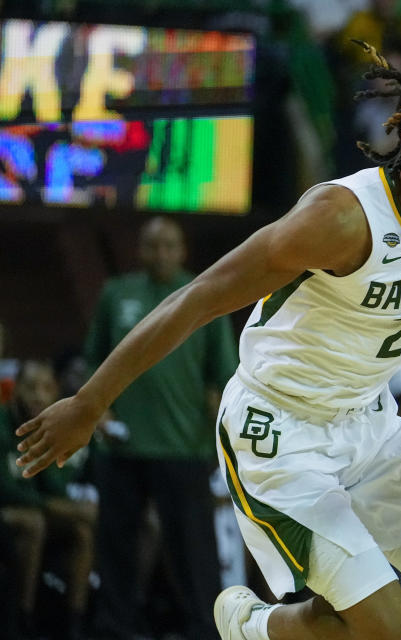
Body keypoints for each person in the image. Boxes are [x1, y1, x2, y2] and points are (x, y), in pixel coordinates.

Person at [16, 46, 401, 640]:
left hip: (369, 421)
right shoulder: (341, 218)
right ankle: (256, 627)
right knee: (384, 622)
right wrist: (89, 403)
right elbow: (194, 299)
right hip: (280, 427)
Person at [82, 215, 239, 639]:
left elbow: (222, 376)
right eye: (153, 245)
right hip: (122, 445)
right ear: (140, 250)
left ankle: (207, 628)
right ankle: (115, 627)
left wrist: (220, 432)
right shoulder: (117, 293)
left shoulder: (206, 294)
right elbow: (92, 359)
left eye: (169, 246)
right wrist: (99, 412)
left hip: (184, 445)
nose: (161, 254)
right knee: (117, 544)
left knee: (193, 548)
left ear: (182, 251)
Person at [0, 360, 96, 640]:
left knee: (81, 532)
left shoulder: (51, 426)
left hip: (36, 509)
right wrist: (46, 503)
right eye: (31, 388)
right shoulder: (3, 423)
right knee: (34, 524)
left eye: (46, 388)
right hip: (10, 511)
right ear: (15, 390)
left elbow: (55, 485)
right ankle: (21, 621)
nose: (38, 396)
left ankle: (73, 624)